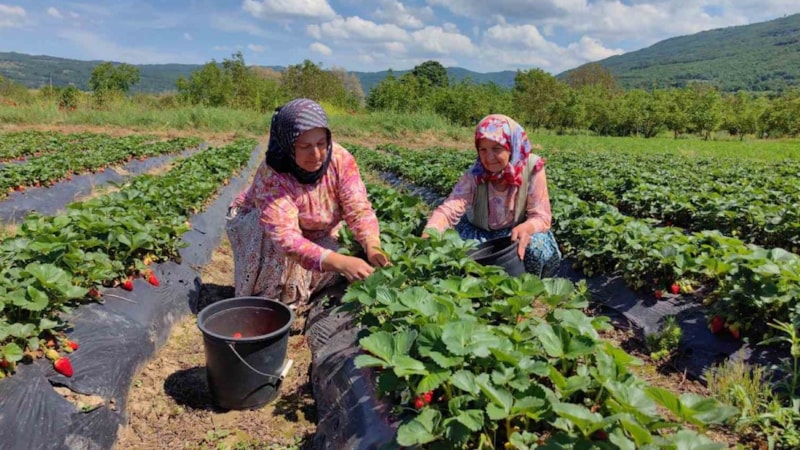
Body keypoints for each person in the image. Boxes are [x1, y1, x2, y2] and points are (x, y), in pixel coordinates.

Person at [226, 98, 388, 304]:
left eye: (321, 143)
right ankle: (267, 301)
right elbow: (284, 238)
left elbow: (358, 209)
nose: (316, 154)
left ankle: (301, 294)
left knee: (347, 250)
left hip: (316, 227)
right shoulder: (274, 173)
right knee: (273, 245)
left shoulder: (340, 159)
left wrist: (372, 244)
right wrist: (340, 263)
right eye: (304, 146)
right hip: (261, 225)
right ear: (288, 145)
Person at [422, 114, 561, 278]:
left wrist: (526, 228)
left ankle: (531, 285)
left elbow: (541, 216)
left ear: (512, 146)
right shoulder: (475, 174)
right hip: (479, 233)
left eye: (496, 149)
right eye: (483, 149)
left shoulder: (531, 168)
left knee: (536, 246)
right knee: (455, 251)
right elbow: (450, 208)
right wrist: (429, 234)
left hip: (516, 232)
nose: (489, 158)